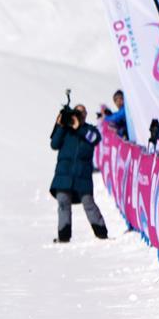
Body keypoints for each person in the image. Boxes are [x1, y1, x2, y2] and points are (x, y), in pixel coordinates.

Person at [50, 104, 109, 243]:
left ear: (86, 115)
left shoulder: (90, 130)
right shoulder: (66, 130)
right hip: (64, 174)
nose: (79, 114)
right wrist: (60, 126)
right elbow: (54, 144)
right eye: (77, 112)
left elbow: (95, 139)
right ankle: (63, 236)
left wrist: (79, 128)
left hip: (82, 176)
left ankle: (101, 233)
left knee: (88, 203)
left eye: (82, 112)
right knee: (63, 203)